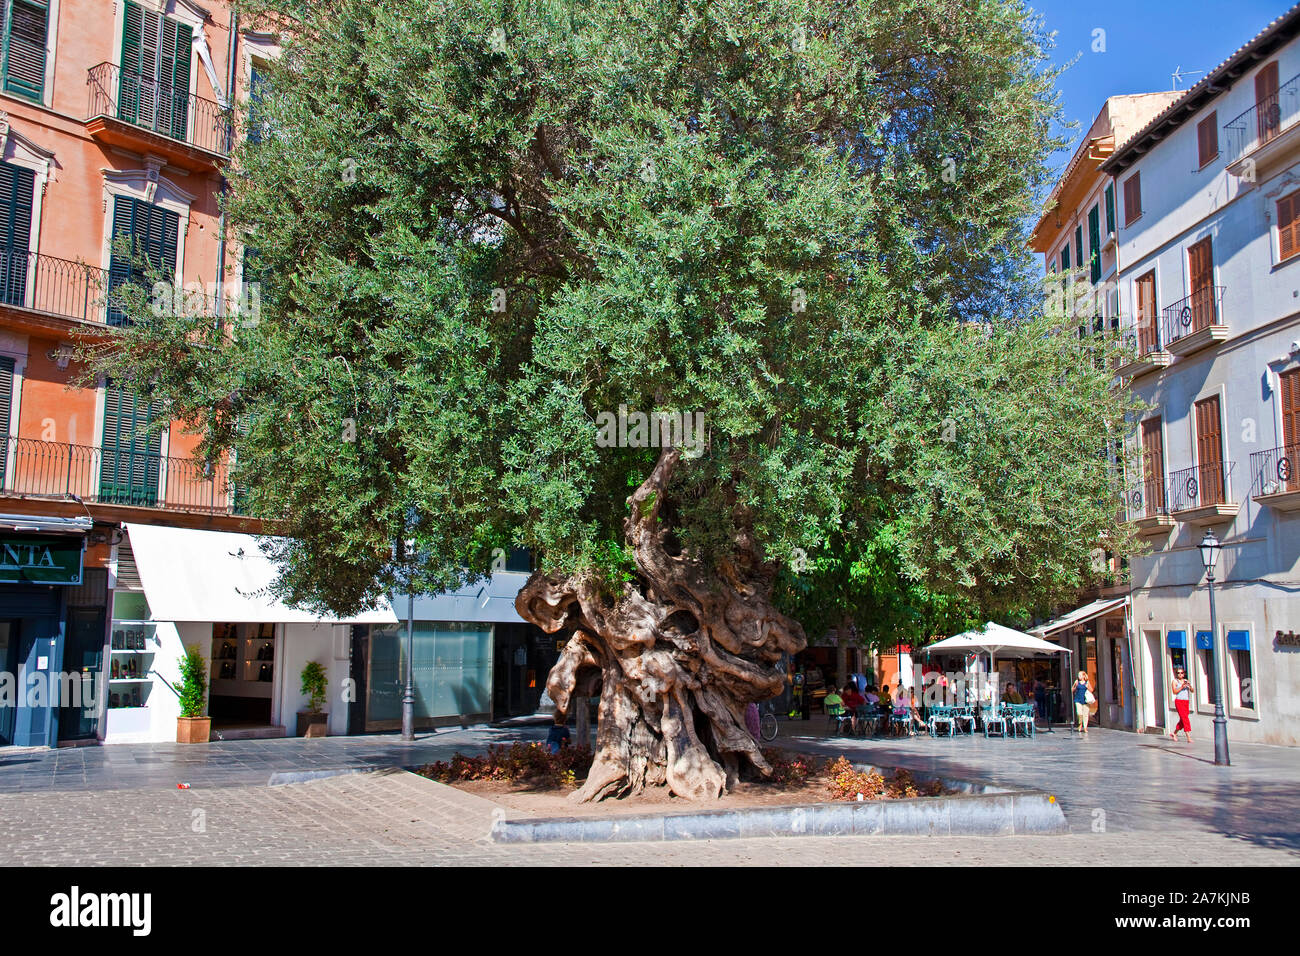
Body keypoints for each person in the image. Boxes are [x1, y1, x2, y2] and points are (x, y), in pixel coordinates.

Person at [1169, 667, 1194, 743]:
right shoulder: (1175, 681)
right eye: (1178, 673)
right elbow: (1174, 692)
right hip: (1179, 701)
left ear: (1184, 674)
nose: (1180, 674)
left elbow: (1192, 691)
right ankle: (1188, 737)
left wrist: (1190, 686)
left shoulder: (1186, 681)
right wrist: (1181, 687)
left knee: (1183, 719)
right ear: (1176, 674)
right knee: (1185, 719)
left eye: (1182, 673)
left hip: (1186, 701)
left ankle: (1174, 733)